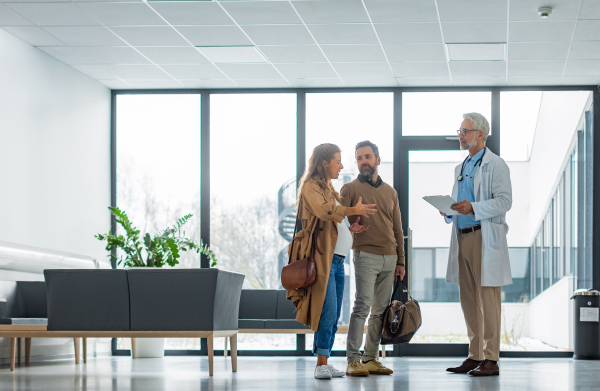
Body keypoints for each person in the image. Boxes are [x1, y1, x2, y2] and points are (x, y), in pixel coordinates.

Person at [287, 143, 377, 380]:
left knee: (334, 312)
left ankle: (324, 361)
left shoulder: (327, 187)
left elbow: (334, 221)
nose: (341, 165)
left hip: (337, 261)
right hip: (322, 261)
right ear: (324, 162)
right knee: (326, 312)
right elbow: (325, 212)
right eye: (337, 161)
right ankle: (320, 365)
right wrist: (352, 209)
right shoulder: (310, 187)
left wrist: (350, 227)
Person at [442, 113, 512, 377]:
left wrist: (474, 207)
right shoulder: (461, 168)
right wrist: (448, 210)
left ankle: (491, 359)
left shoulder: (496, 165)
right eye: (459, 130)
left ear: (481, 134)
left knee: (488, 301)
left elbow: (505, 201)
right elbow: (459, 201)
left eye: (465, 131)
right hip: (461, 238)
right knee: (468, 300)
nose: (460, 135)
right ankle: (475, 356)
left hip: (484, 237)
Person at [340, 140, 405, 377]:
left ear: (377, 160)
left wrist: (401, 261)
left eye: (367, 157)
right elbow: (335, 221)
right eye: (359, 158)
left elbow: (398, 228)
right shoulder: (349, 190)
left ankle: (370, 358)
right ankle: (352, 359)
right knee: (362, 307)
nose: (363, 162)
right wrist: (350, 229)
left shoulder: (390, 192)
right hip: (365, 255)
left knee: (380, 310)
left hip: (390, 258)